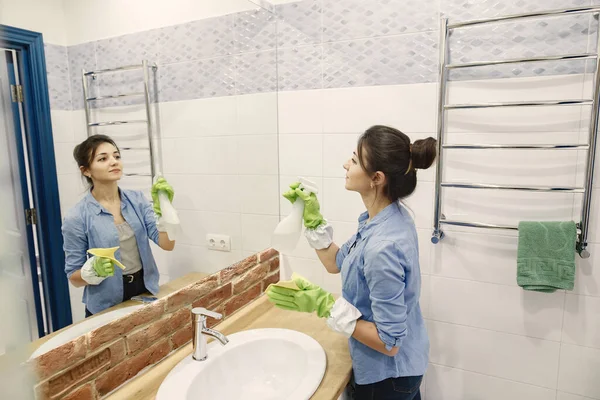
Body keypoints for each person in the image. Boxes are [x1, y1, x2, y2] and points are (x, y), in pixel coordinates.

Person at [267, 125, 436, 400]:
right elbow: (337, 263)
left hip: (388, 377)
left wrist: (325, 305)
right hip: (399, 368)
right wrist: (313, 219)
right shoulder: (382, 219)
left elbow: (388, 342)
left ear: (377, 178)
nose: (346, 164)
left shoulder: (383, 247)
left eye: (355, 160)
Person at [62, 134, 176, 317]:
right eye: (103, 158)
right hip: (105, 301)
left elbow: (167, 245)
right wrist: (91, 272)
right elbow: (74, 277)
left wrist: (164, 211)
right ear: (86, 171)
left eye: (116, 156)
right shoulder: (77, 217)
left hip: (144, 290)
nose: (114, 162)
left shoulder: (137, 200)